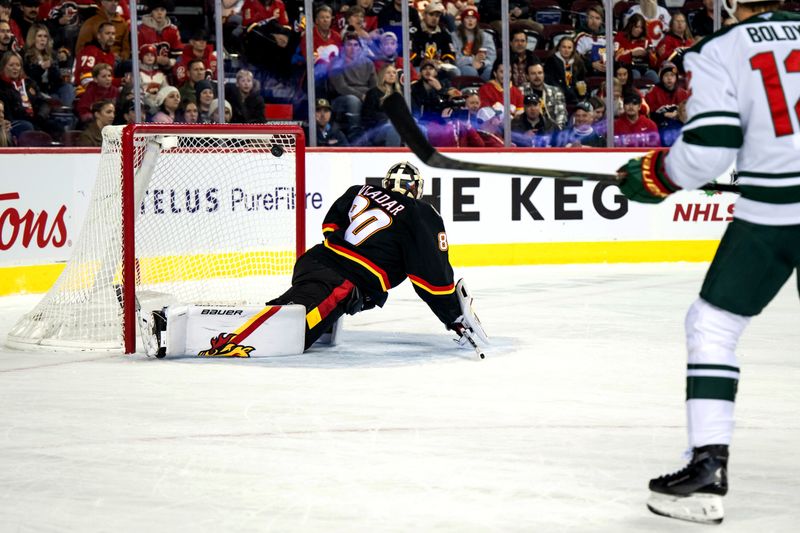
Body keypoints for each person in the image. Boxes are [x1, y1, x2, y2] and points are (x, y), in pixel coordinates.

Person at [616, 0, 800, 524]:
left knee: (713, 325)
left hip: (773, 214)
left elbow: (707, 154)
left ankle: (707, 470)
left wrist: (651, 176)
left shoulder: (719, 49)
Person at [266, 162, 468, 351]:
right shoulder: (418, 212)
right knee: (280, 335)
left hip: (314, 261)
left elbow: (330, 226)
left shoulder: (360, 190)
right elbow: (432, 276)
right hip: (342, 283)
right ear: (416, 188)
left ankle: (322, 322)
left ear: (387, 183)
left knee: (284, 309)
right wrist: (453, 315)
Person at [328, 31, 377, 141]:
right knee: (353, 100)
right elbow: (341, 88)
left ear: (360, 47)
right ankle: (354, 134)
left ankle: (375, 134)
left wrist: (370, 97)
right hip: (340, 99)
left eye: (356, 45)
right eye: (349, 45)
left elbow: (374, 86)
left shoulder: (368, 63)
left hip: (365, 96)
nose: (353, 48)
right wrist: (362, 95)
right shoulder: (336, 63)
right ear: (344, 47)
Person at [645, 61, 689, 146]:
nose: (669, 78)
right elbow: (650, 115)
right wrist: (665, 115)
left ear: (676, 78)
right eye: (666, 75)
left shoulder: (683, 93)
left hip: (679, 127)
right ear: (661, 77)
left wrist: (679, 115)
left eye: (672, 75)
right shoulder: (653, 93)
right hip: (660, 127)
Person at [358, 63, 402, 146]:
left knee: (421, 129)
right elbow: (367, 116)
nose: (392, 75)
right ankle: (393, 158)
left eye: (394, 72)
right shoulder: (373, 93)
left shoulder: (400, 93)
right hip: (377, 129)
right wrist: (389, 118)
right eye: (388, 72)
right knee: (393, 129)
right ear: (382, 75)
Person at [409, 2, 458, 76]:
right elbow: (410, 53)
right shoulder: (414, 31)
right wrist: (425, 62)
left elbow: (450, 52)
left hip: (439, 66)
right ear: (424, 15)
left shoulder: (444, 32)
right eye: (431, 15)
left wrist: (445, 61)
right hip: (420, 66)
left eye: (437, 16)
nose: (434, 18)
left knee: (455, 72)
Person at [450, 6, 495, 81]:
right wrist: (473, 60)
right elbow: (455, 58)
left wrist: (482, 64)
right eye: (467, 18)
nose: (470, 21)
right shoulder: (454, 36)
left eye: (473, 18)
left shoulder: (486, 36)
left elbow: (492, 57)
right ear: (462, 20)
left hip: (483, 65)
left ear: (477, 21)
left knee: (490, 71)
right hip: (464, 65)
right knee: (471, 71)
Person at [73, 21, 116, 96]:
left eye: (113, 34)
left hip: (104, 92)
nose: (111, 37)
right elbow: (85, 79)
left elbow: (108, 80)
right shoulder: (89, 51)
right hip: (84, 93)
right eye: (107, 33)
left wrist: (120, 81)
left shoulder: (111, 55)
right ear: (99, 36)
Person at [614, 13, 659, 85]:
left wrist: (649, 55)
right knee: (635, 74)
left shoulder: (647, 39)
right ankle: (634, 95)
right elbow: (616, 59)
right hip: (627, 68)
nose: (639, 30)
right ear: (631, 26)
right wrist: (632, 54)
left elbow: (654, 63)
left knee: (653, 75)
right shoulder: (620, 37)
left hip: (645, 68)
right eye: (637, 27)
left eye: (641, 28)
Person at [522, 61, 567, 130]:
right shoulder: (521, 92)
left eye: (540, 73)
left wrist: (556, 132)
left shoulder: (556, 92)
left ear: (544, 74)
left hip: (552, 131)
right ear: (527, 76)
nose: (537, 76)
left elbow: (561, 115)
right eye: (533, 74)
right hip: (528, 131)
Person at [544, 36, 587, 106]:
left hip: (575, 97)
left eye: (569, 47)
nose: (566, 50)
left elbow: (582, 80)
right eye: (564, 47)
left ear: (573, 49)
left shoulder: (578, 62)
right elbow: (550, 81)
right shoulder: (551, 61)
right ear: (559, 48)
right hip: (557, 97)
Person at [574, 3, 611, 76]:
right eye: (591, 17)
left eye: (597, 18)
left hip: (606, 74)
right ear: (586, 18)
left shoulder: (609, 36)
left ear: (602, 21)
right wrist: (591, 64)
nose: (593, 21)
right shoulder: (580, 36)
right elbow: (575, 58)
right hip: (586, 73)